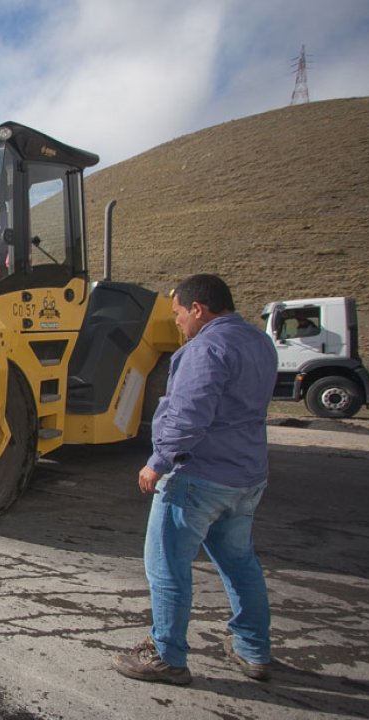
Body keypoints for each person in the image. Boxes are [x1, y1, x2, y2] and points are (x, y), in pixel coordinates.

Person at [112, 273, 278, 685]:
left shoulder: (206, 348)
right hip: (246, 477)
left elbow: (189, 414)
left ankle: (167, 655)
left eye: (179, 314)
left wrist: (158, 462)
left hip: (198, 477)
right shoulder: (259, 342)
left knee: (167, 567)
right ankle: (253, 650)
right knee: (240, 563)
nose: (178, 323)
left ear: (198, 309)